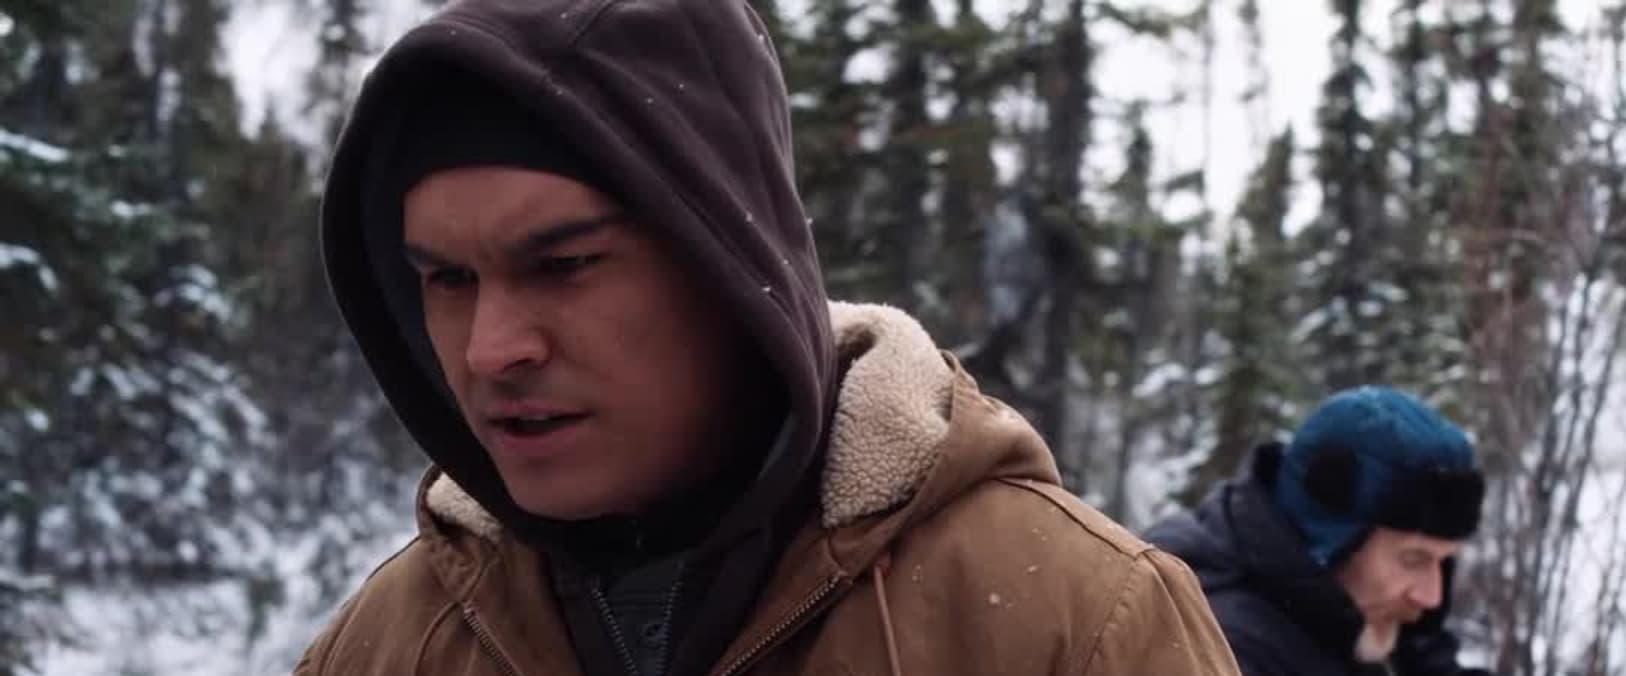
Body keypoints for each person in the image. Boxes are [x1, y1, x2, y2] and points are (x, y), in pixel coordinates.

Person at [292, 1, 1240, 675]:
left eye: (565, 264)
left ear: (726, 263)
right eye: (448, 280)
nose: (490, 350)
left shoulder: (1072, 624)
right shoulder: (392, 645)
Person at [1147, 386, 1496, 676]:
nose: (1431, 596)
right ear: (1330, 539)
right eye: (1413, 559)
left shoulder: (1372, 619)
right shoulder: (1214, 647)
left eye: (1444, 562)